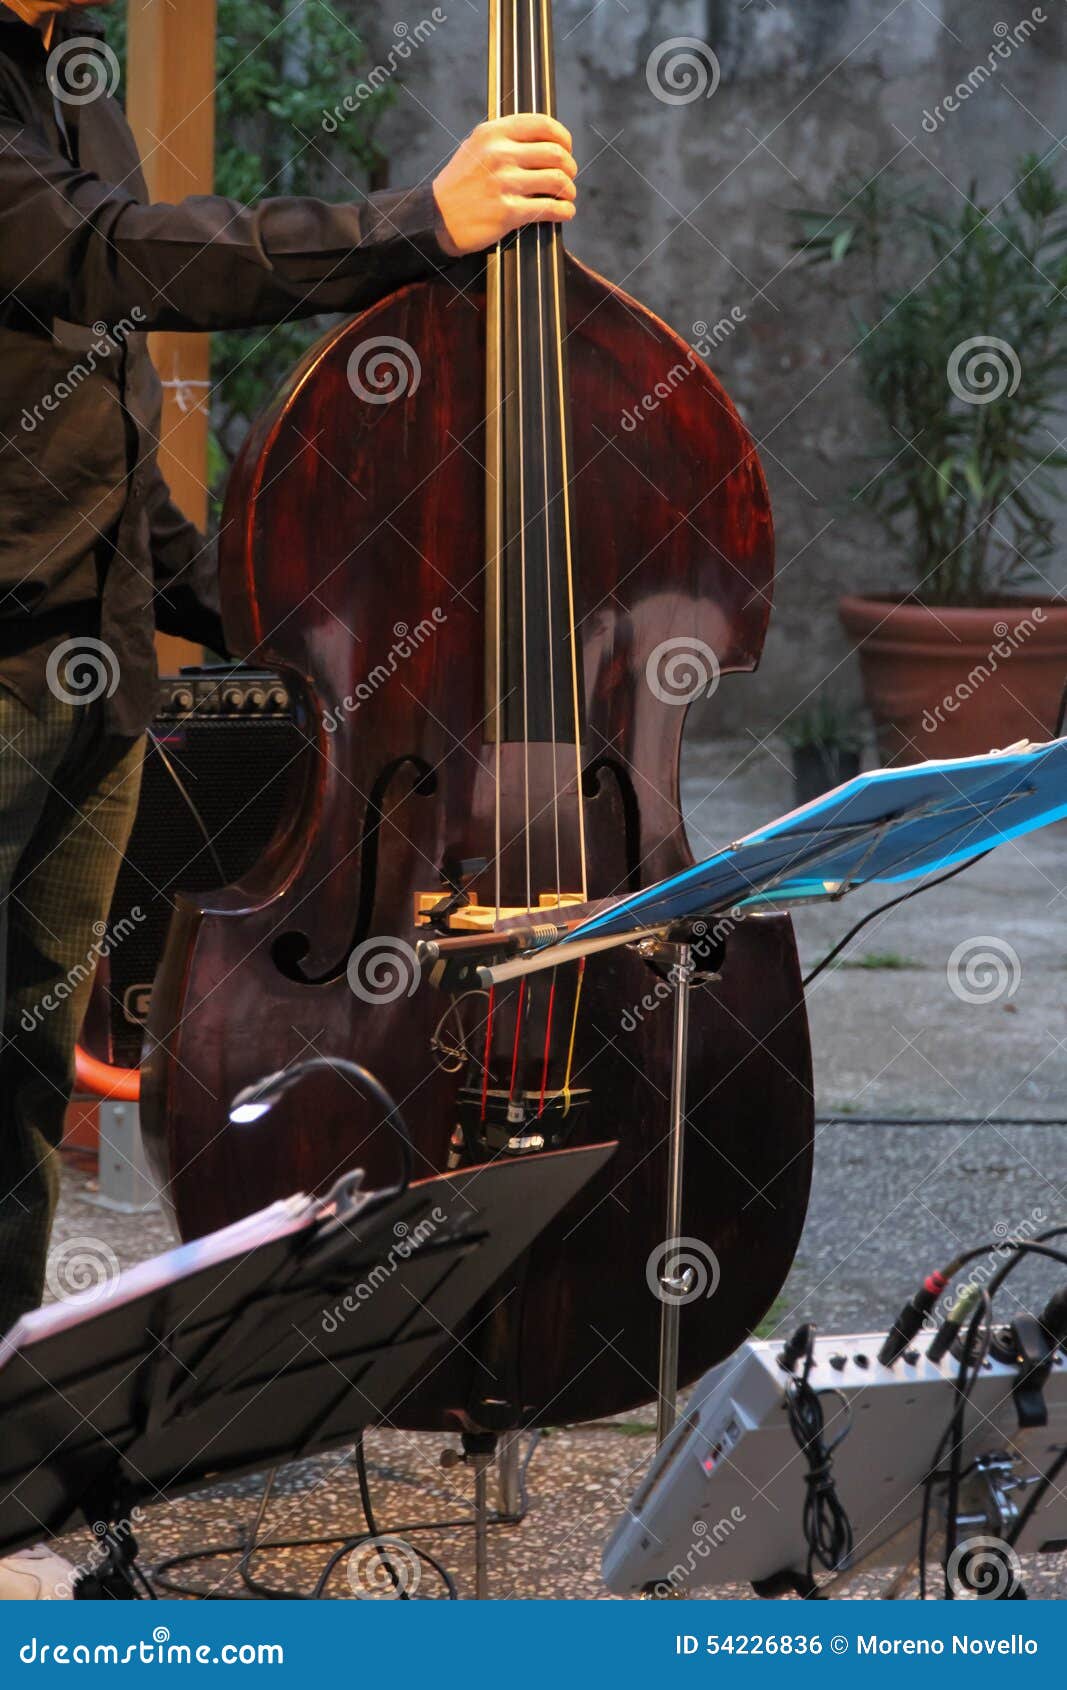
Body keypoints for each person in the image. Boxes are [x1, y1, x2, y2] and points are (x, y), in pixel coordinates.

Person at [0, 0, 576, 1596]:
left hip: (90, 671)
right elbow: (109, 258)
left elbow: (100, 403)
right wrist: (417, 226)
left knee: (21, 1100)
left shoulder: (69, 78)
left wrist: (260, 614)